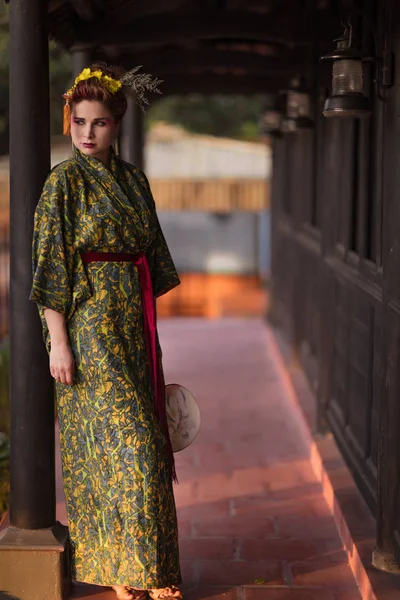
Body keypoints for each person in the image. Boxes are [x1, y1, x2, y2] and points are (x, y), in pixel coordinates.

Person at [29, 64, 182, 600]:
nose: (87, 134)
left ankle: (147, 572)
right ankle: (125, 568)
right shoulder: (61, 185)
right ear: (68, 124)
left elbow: (153, 254)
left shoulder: (134, 180)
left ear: (117, 124)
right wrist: (60, 341)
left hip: (133, 325)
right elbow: (48, 269)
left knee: (143, 447)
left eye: (99, 123)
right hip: (87, 328)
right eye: (78, 123)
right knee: (124, 447)